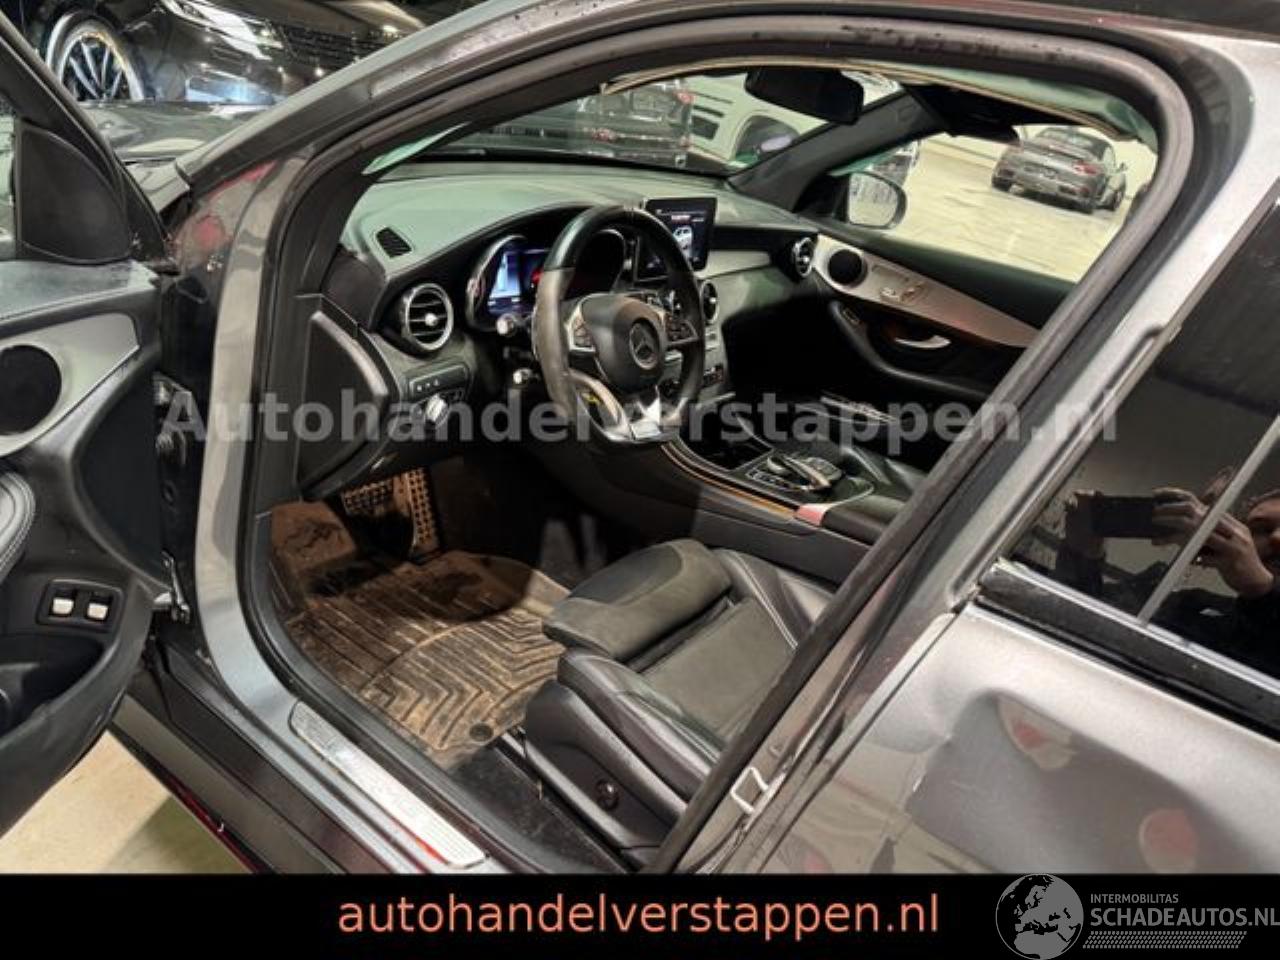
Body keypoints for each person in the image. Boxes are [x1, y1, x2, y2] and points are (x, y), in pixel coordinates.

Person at [1054, 480, 1280, 674]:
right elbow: (1076, 623)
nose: (1277, 538)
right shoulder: (1189, 604)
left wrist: (1261, 590)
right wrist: (1082, 551)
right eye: (1262, 528)